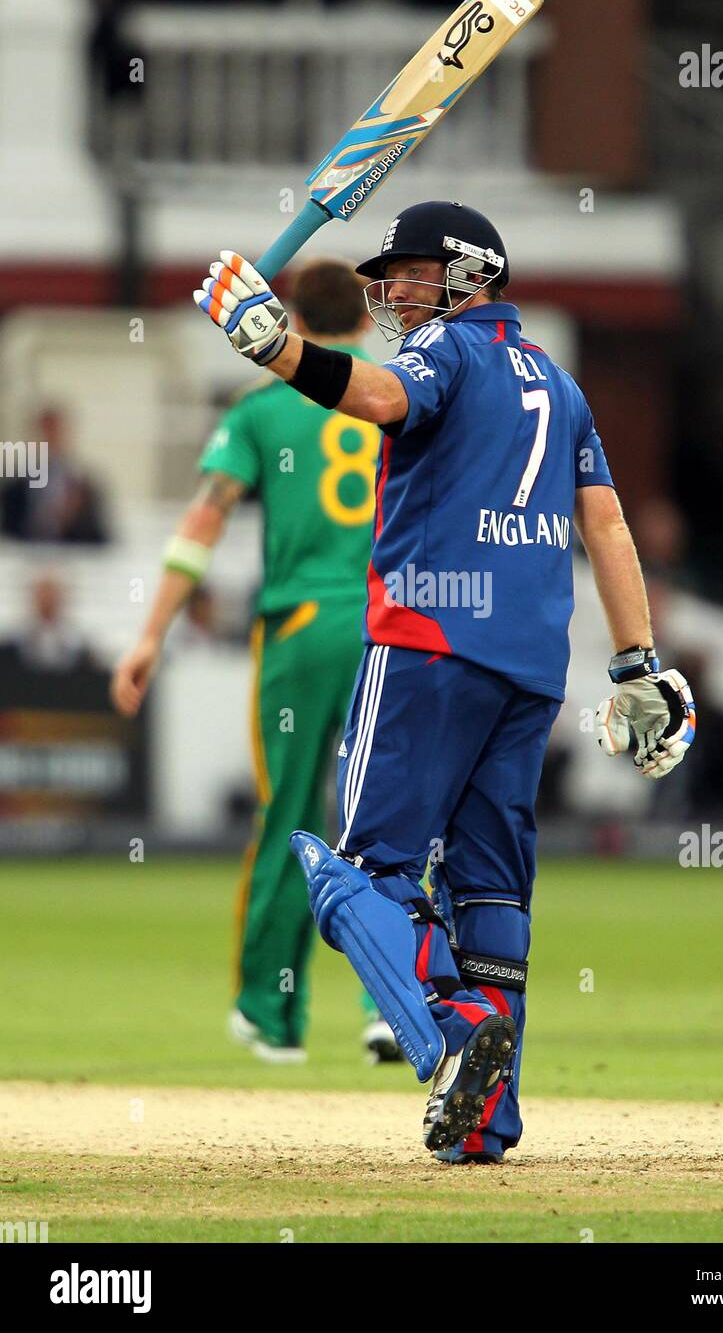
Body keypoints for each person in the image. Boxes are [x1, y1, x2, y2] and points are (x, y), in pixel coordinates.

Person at [191, 203, 696, 1161]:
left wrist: (277, 349)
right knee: (492, 894)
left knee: (353, 877)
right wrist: (639, 664)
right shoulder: (560, 383)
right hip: (529, 671)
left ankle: (454, 1031)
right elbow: (610, 530)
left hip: (424, 644)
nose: (393, 292)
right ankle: (486, 1126)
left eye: (412, 274)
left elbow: (379, 398)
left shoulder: (451, 354)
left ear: (468, 276)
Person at [112, 257, 400, 1064]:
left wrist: (151, 634)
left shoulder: (265, 408)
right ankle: (395, 1005)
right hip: (396, 625)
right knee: (397, 819)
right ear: (365, 319)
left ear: (295, 323)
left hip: (303, 627)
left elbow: (206, 517)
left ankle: (273, 1016)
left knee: (292, 819)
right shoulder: (396, 391)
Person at [1, 406, 110, 544]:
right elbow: (7, 535)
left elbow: (101, 540)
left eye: (56, 432)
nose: (51, 440)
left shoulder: (85, 487)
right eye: (45, 433)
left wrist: (74, 516)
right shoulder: (13, 486)